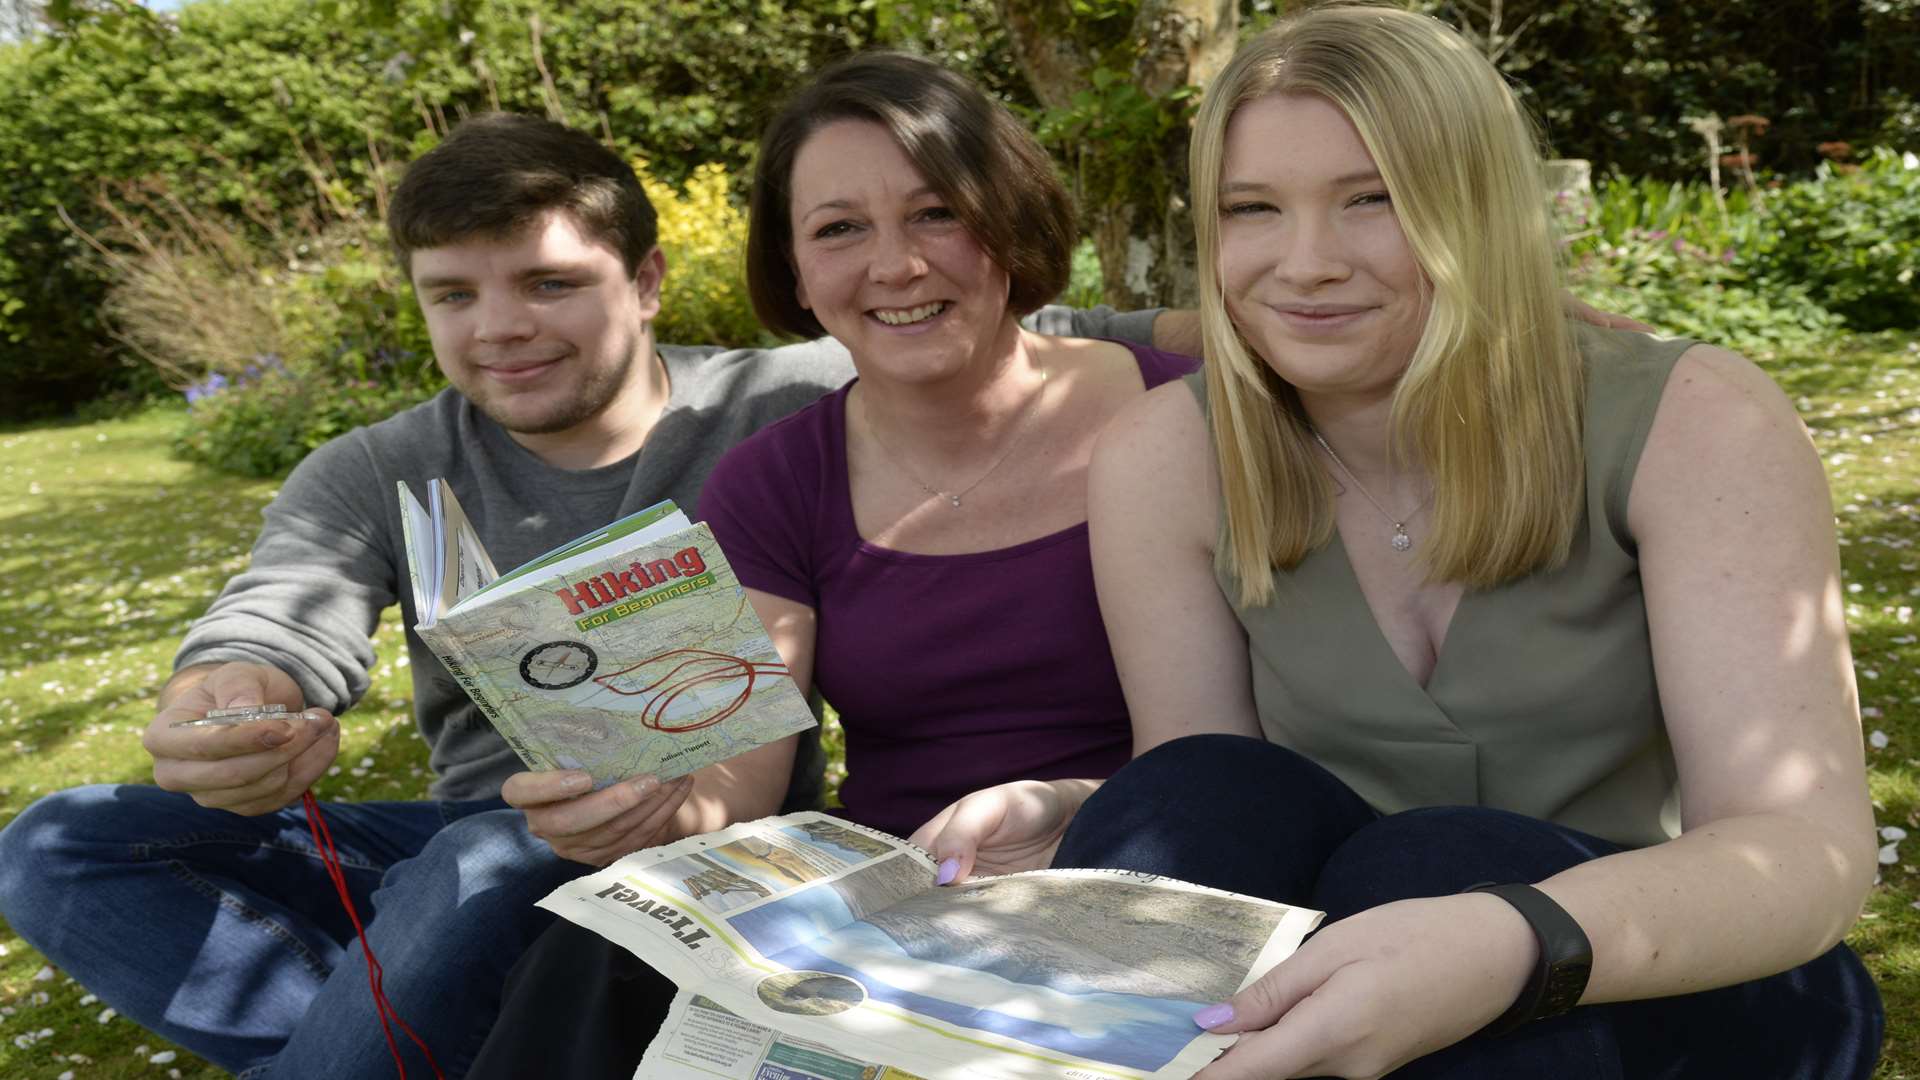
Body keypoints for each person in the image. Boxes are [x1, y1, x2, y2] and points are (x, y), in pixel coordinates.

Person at [0, 113, 1168, 1079]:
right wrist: (233, 695)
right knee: (57, 844)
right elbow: (275, 611)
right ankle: (430, 1035)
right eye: (451, 295)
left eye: (548, 283)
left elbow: (1037, 331)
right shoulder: (372, 467)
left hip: (699, 833)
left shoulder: (790, 398)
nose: (499, 328)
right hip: (475, 832)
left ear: (648, 281)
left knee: (486, 867)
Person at [915, 7, 1884, 1078]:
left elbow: (1805, 854)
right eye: (1254, 209)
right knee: (1195, 789)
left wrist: (1508, 939)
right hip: (1341, 961)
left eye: (1372, 200)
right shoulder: (1166, 453)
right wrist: (1077, 810)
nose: (1307, 263)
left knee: (1435, 862)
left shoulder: (1698, 423)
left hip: (1656, 966)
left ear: (1474, 208)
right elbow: (1208, 796)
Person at [463, 51, 1201, 1078]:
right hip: (897, 899)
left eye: (937, 212)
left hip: (1167, 869)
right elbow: (740, 777)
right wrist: (642, 808)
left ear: (1012, 220)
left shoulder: (1192, 413)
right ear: (798, 274)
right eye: (839, 229)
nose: (895, 266)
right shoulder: (773, 478)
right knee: (582, 963)